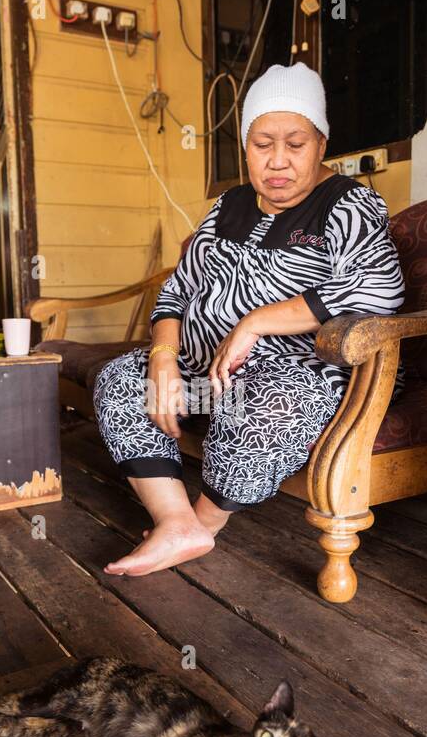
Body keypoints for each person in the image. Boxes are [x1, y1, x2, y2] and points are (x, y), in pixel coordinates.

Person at [93, 62, 405, 576]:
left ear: (321, 144)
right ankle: (176, 524)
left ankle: (204, 523)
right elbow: (177, 291)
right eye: (263, 144)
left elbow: (377, 289)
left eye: (295, 144)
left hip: (292, 374)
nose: (278, 161)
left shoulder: (350, 203)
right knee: (122, 382)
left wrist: (256, 321)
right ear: (245, 146)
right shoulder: (228, 205)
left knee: (269, 408)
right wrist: (164, 359)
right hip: (203, 370)